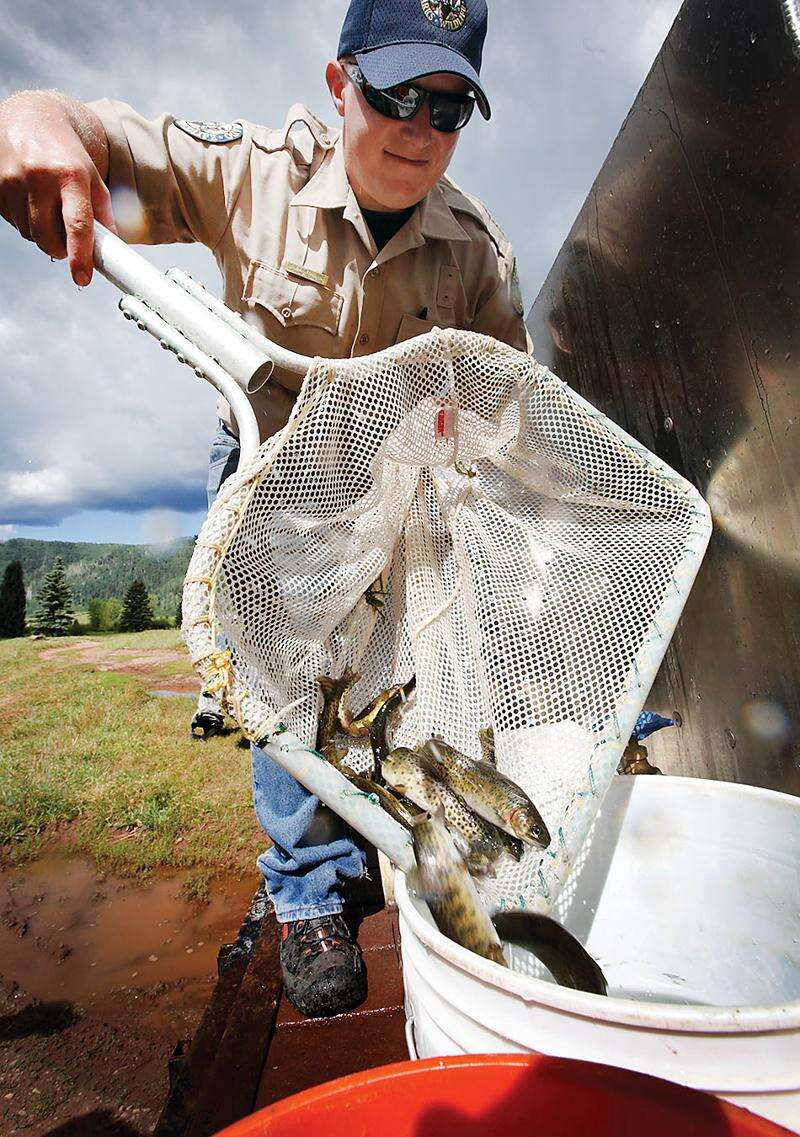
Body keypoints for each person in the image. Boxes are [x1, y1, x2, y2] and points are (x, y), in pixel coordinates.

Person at [0, 0, 532, 1018]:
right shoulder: (252, 172)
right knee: (281, 691)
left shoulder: (478, 255)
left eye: (449, 105)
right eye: (394, 95)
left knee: (391, 686)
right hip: (268, 473)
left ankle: (399, 832)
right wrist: (32, 117)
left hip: (394, 491)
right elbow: (102, 139)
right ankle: (303, 898)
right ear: (340, 86)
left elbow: (514, 403)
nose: (418, 127)